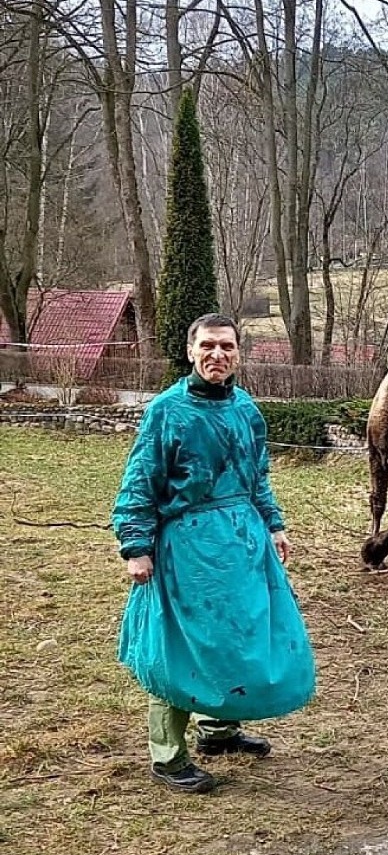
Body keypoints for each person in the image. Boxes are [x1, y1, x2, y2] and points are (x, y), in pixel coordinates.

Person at [112, 313, 316, 793]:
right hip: (187, 548)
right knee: (181, 647)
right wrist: (136, 546)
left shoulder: (246, 409)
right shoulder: (167, 411)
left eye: (226, 346)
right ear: (191, 351)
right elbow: (140, 482)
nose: (217, 355)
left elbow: (257, 475)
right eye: (208, 346)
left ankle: (219, 729)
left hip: (242, 545)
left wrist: (273, 523)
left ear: (238, 353)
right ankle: (167, 756)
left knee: (238, 635)